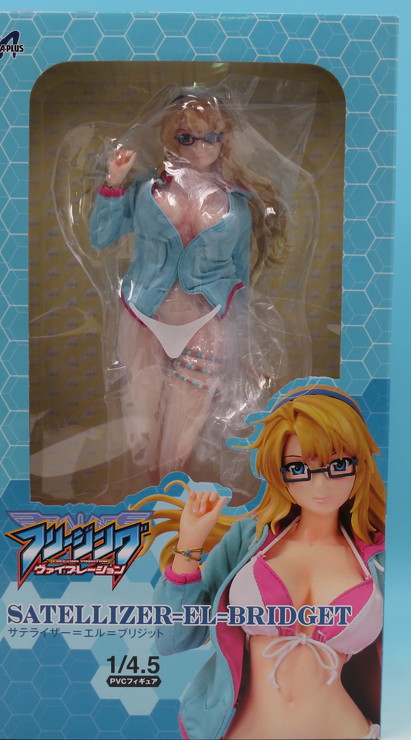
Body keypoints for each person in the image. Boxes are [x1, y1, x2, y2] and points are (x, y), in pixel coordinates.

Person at [141, 380, 387, 740]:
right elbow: (173, 638)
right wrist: (190, 543)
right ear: (277, 470)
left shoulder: (380, 560)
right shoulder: (250, 540)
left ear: (359, 464)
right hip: (244, 734)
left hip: (347, 734)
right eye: (299, 468)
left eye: (338, 465)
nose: (320, 486)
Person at [88, 89, 289, 485]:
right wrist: (113, 183)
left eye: (211, 137)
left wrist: (245, 346)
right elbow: (101, 236)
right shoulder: (147, 189)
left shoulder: (236, 200)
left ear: (225, 138)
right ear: (171, 137)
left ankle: (173, 503)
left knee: (183, 431)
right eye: (187, 138)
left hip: (207, 322)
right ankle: (146, 508)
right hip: (144, 312)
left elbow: (239, 275)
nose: (201, 148)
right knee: (141, 427)